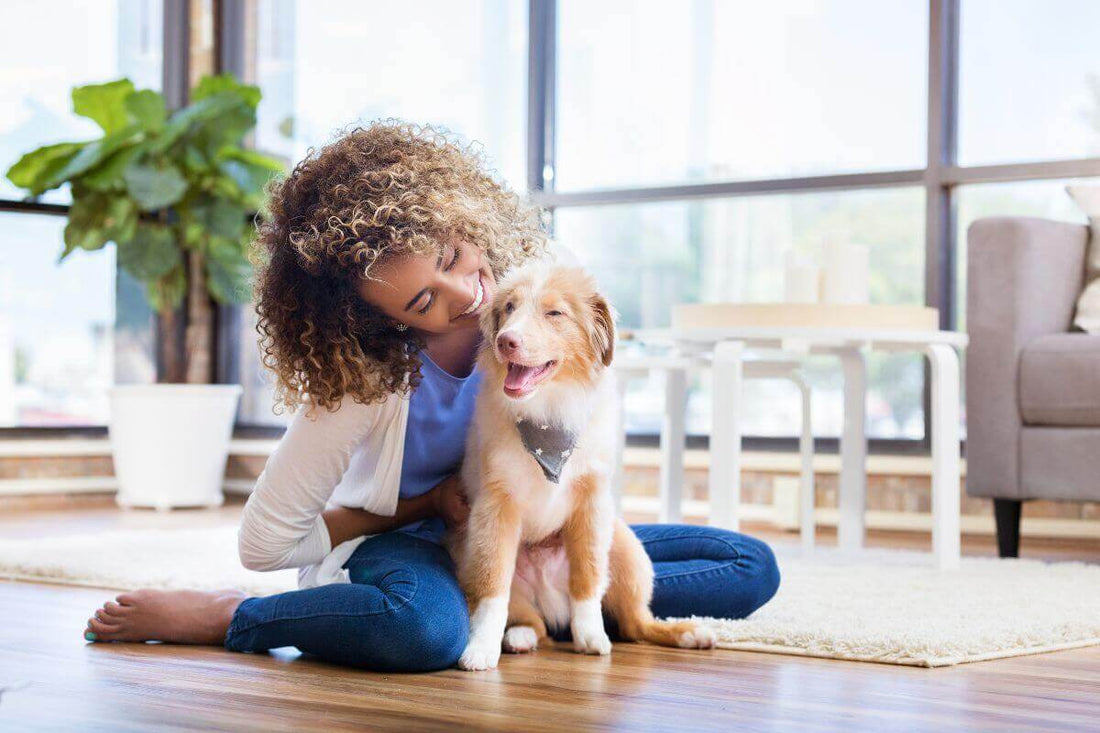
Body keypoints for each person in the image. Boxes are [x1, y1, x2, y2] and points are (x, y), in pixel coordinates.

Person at [83, 122, 780, 672]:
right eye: (424, 298)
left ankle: (541, 605)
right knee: (423, 631)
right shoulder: (363, 379)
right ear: (388, 319)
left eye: (452, 257)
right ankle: (236, 617)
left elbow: (588, 397)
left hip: (535, 532)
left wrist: (581, 542)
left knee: (749, 568)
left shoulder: (528, 298)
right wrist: (426, 504)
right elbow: (264, 540)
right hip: (416, 544)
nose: (469, 294)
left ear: (460, 216)